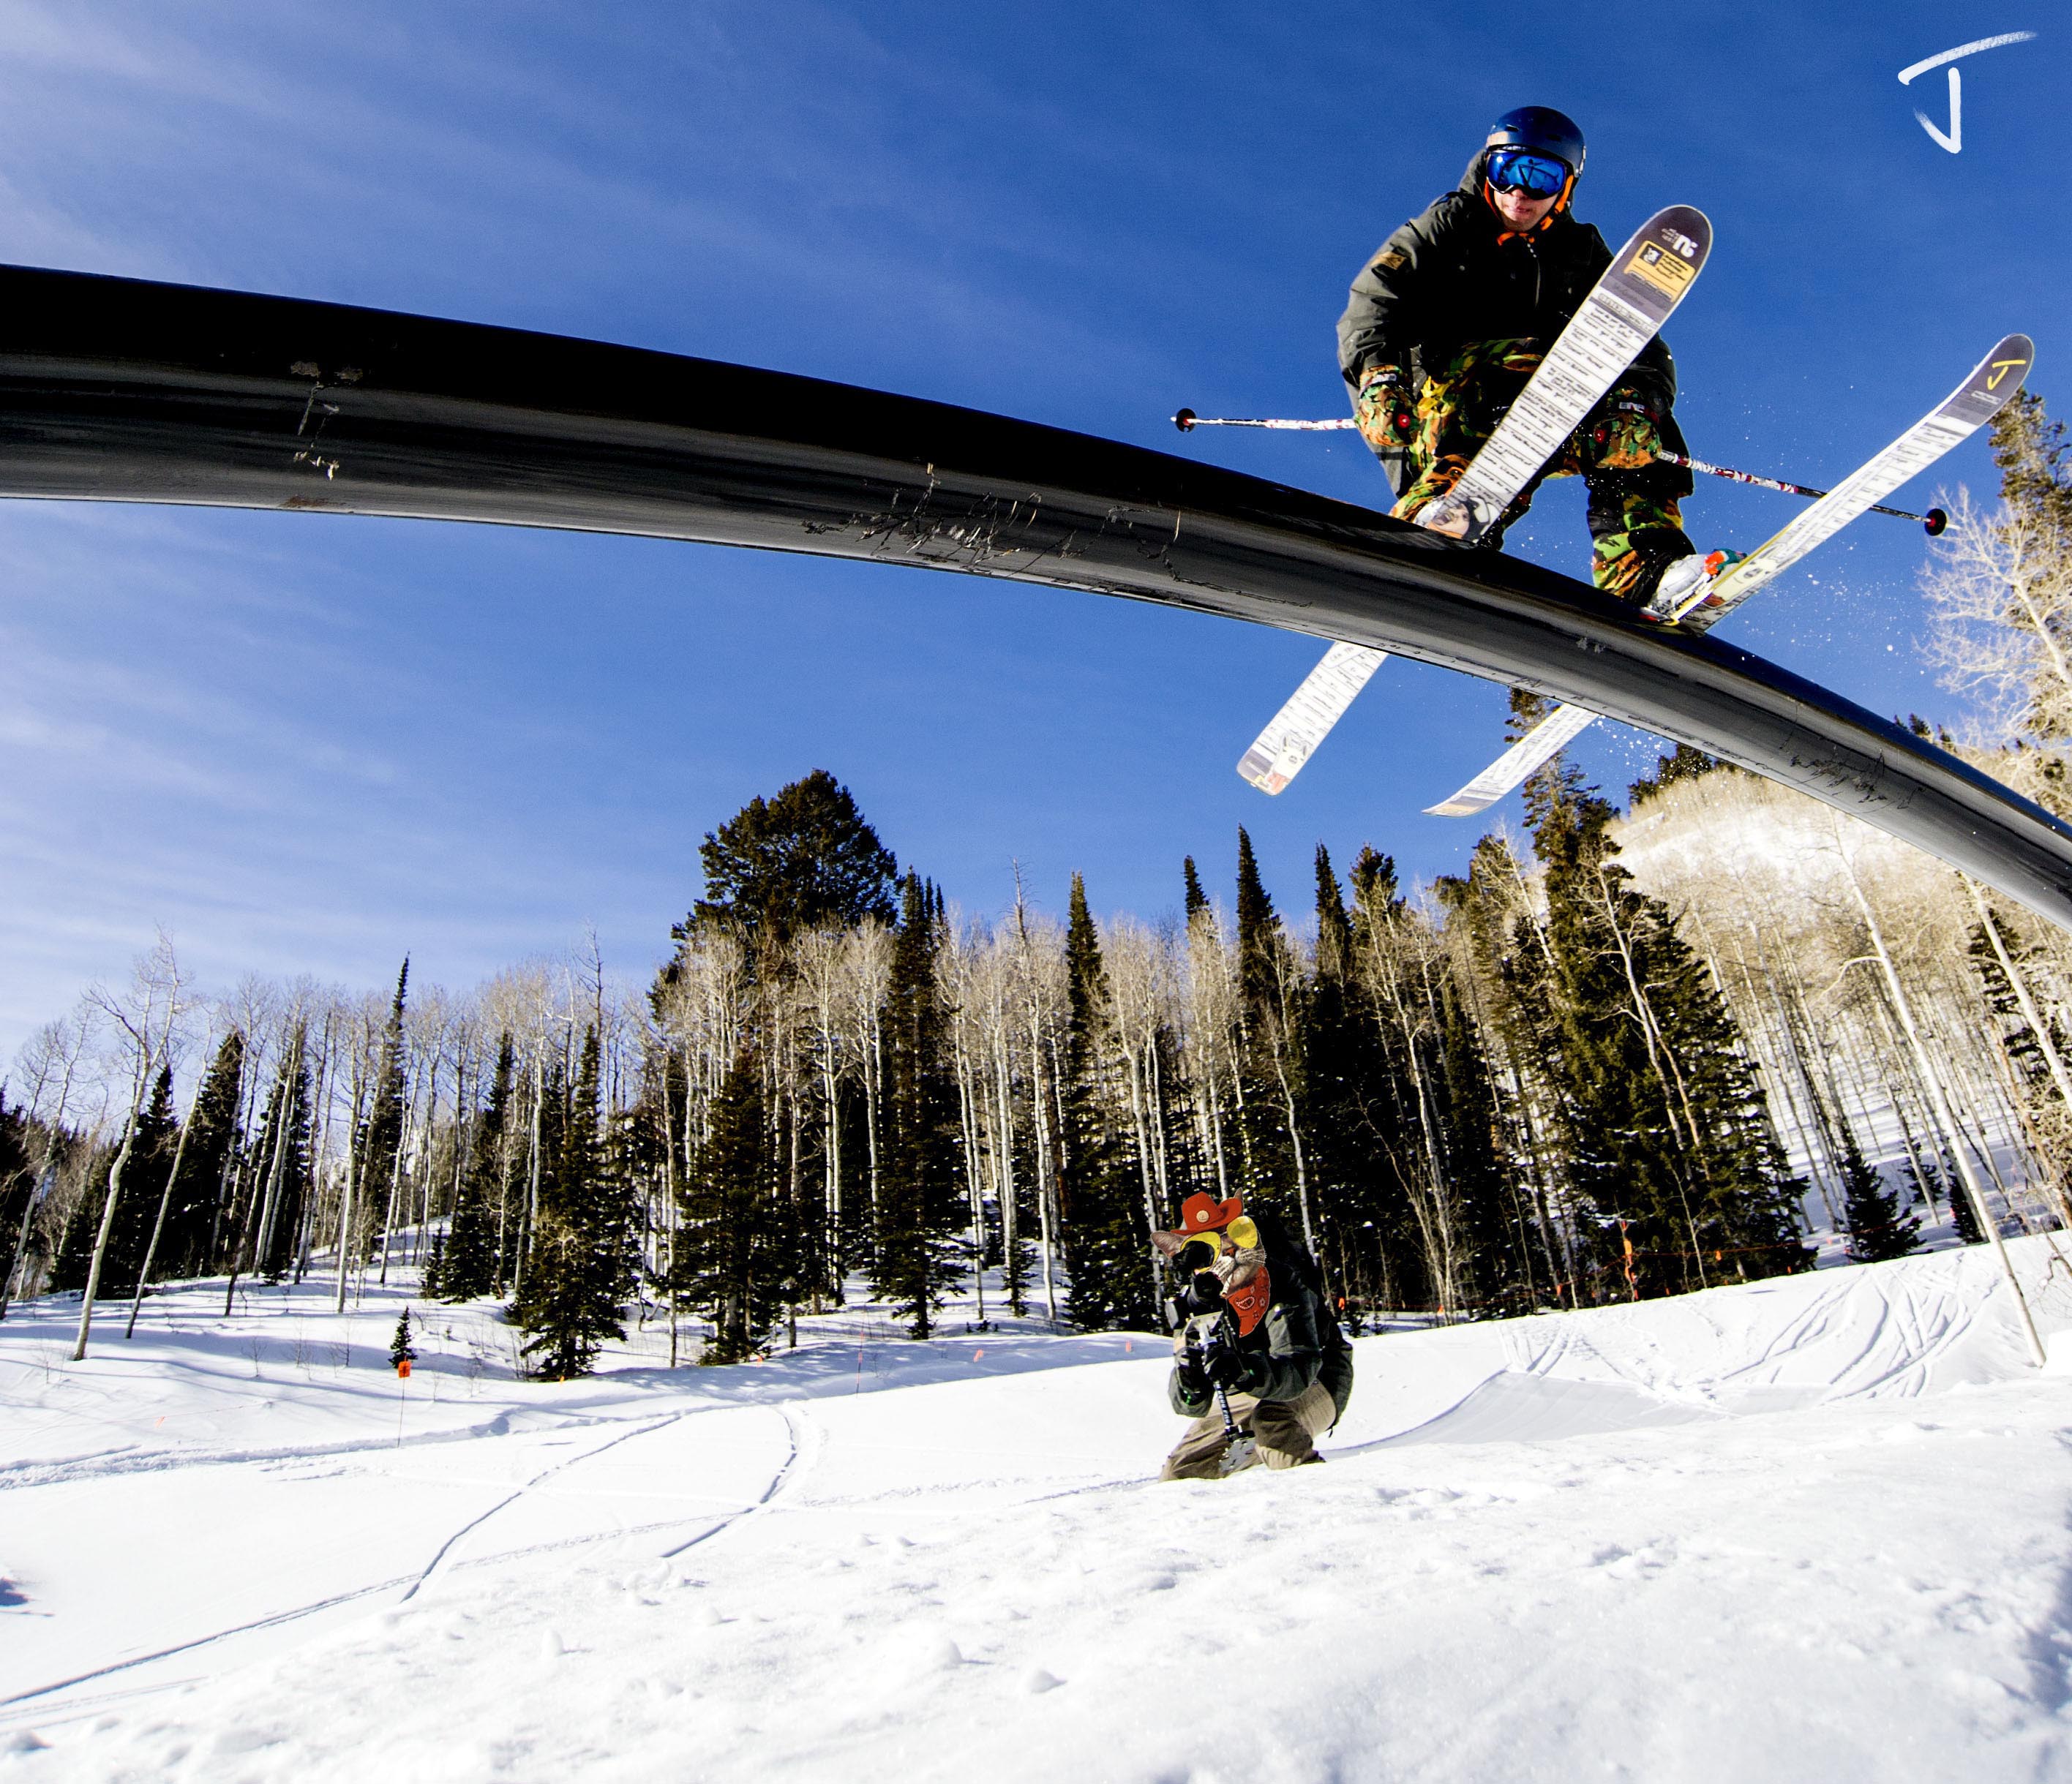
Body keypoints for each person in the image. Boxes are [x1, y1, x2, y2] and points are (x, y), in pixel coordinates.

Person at [1337, 105, 1717, 618]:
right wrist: (1379, 378)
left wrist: (1636, 406)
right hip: (1444, 415)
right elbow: (1374, 302)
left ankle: (1645, 570)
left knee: (1636, 421)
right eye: (1508, 170)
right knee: (1515, 363)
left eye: (1540, 177)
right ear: (1488, 169)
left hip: (1550, 406)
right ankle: (1447, 514)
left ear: (1566, 187)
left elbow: (1639, 346)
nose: (1520, 191)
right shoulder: (1446, 227)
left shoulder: (1579, 253)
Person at [1155, 1192, 1354, 1480]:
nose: (1230, 1252)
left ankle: (1324, 1503)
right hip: (1243, 1394)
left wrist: (1245, 1369)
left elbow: (1299, 1370)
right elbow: (1188, 1404)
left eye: (1237, 1235)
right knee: (1181, 1471)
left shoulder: (1281, 1282)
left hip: (1318, 1377)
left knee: (1272, 1423)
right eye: (1212, 1248)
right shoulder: (1193, 1309)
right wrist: (1191, 1381)